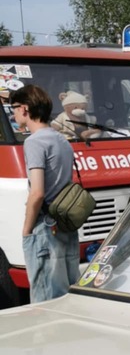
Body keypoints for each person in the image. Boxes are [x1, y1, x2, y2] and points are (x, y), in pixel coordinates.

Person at [11, 85, 80, 301]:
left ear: (24, 108)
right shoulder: (62, 140)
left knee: (44, 299)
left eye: (13, 108)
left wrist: (26, 230)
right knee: (67, 295)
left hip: (45, 229)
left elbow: (37, 193)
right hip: (66, 224)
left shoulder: (34, 142)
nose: (12, 114)